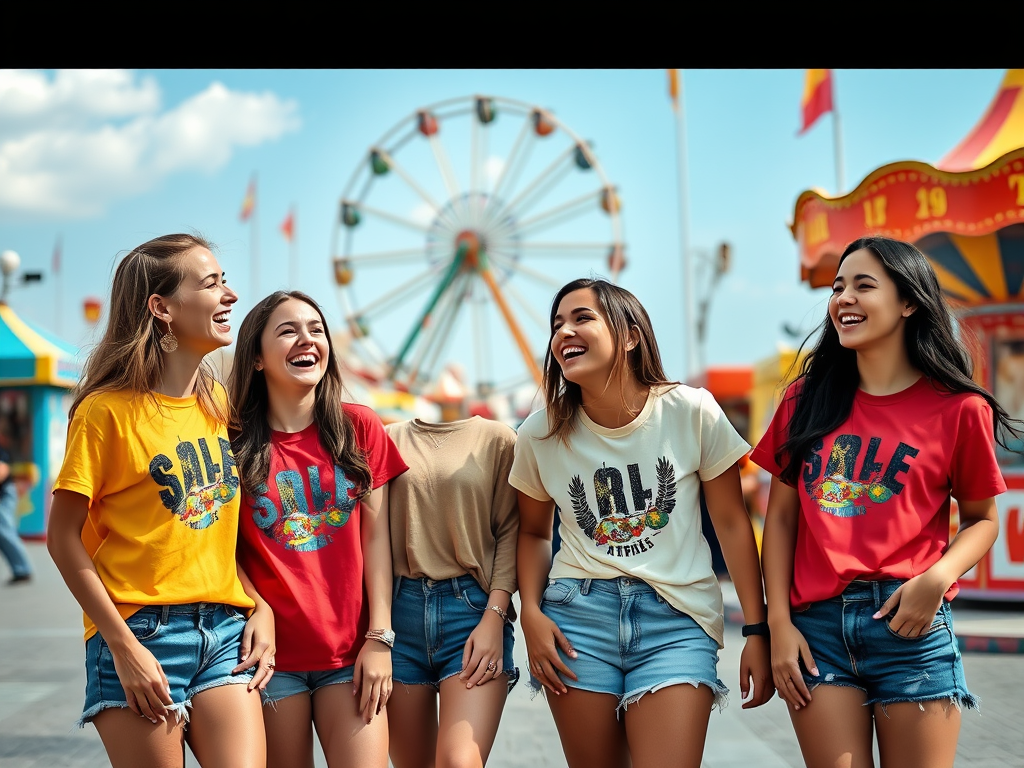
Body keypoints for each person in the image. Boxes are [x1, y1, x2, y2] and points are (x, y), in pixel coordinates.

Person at [752, 236, 1018, 768]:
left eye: (863, 285)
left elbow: (982, 521)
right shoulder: (804, 400)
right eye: (837, 287)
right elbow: (780, 520)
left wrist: (936, 580)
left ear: (909, 301)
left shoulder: (959, 408)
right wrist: (776, 624)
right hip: (816, 632)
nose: (843, 298)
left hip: (911, 623)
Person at [510, 277, 773, 768]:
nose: (564, 331)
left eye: (581, 317)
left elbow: (733, 525)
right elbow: (531, 532)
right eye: (556, 324)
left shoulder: (691, 411)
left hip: (676, 617)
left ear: (630, 335)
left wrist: (758, 630)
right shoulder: (539, 432)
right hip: (576, 619)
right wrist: (531, 613)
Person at [46, 233, 275, 768]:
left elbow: (211, 534)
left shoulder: (216, 402)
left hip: (224, 631)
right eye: (213, 283)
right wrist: (123, 648)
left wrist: (257, 604)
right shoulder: (105, 413)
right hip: (139, 630)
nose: (231, 295)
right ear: (161, 307)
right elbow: (62, 538)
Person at [228, 290, 407, 768]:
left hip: (350, 655)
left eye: (315, 329)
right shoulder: (230, 441)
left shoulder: (361, 428)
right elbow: (219, 550)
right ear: (257, 359)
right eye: (287, 330)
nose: (307, 339)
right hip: (269, 661)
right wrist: (257, 605)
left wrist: (380, 637)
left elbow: (376, 542)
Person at [384, 415, 520, 768]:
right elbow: (373, 537)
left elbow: (511, 530)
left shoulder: (498, 439)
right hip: (400, 614)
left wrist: (496, 615)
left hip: (473, 615)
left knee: (460, 762)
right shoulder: (386, 438)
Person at [0, 436, 33, 584]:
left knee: (4, 529)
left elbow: (3, 470)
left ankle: (23, 568)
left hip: (5, 493)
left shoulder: (2, 451)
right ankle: (19, 568)